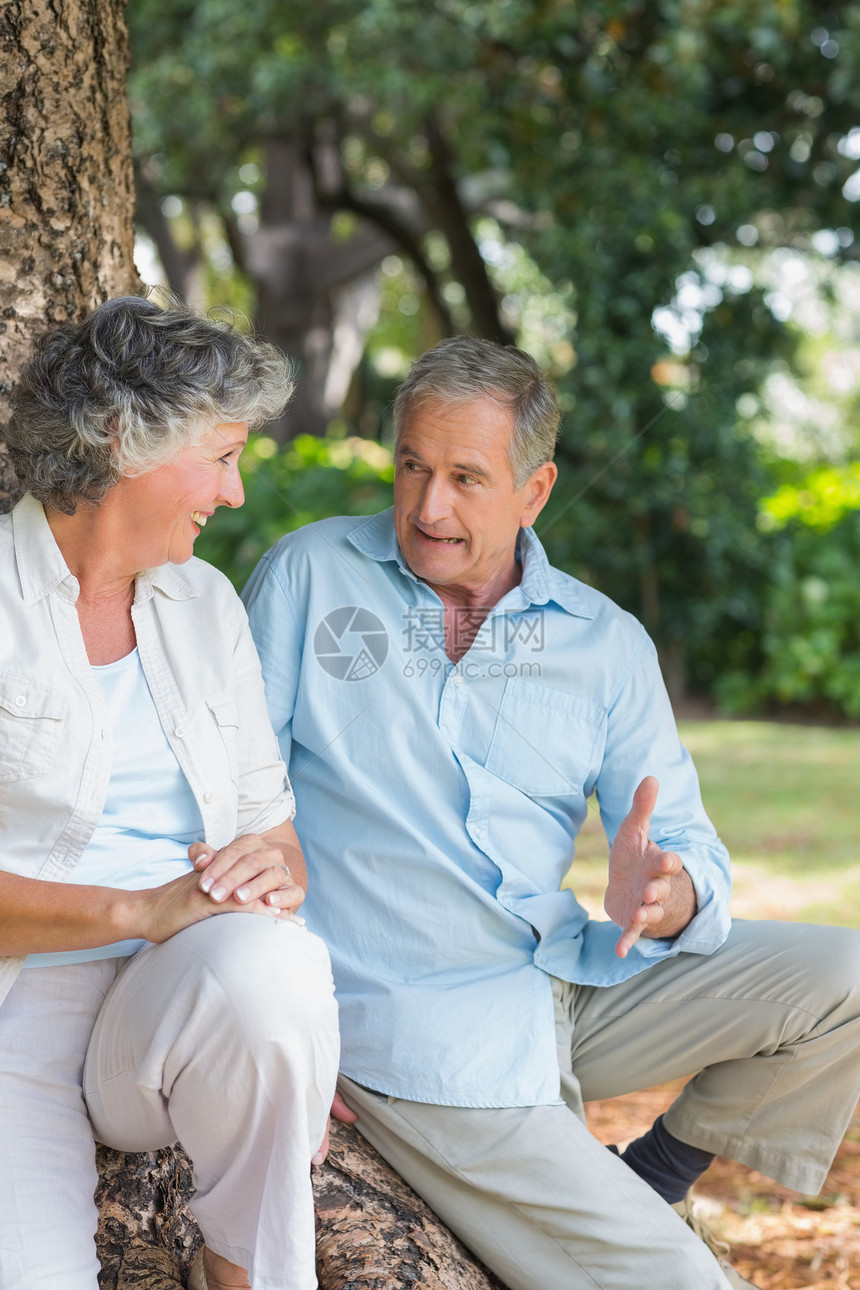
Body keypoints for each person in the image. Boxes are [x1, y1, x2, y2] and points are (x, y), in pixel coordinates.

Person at [243, 336, 860, 1290]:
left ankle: (655, 1178)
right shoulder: (308, 575)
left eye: (464, 478)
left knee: (844, 976)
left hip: (561, 975)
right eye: (412, 466)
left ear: (536, 491)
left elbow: (691, 843)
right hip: (418, 1032)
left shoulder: (606, 644)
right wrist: (268, 1036)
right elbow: (232, 804)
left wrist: (669, 894)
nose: (428, 505)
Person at [0, 296, 339, 1290]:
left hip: (175, 1003)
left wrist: (260, 877)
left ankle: (239, 1275)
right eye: (222, 455)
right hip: (21, 1000)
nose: (233, 493)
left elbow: (275, 842)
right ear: (123, 440)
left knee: (276, 971)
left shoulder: (205, 605)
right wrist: (141, 910)